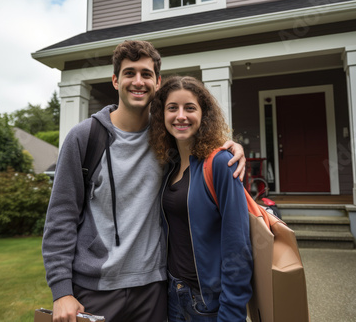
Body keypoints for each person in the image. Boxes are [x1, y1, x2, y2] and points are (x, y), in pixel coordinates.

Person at [42, 40, 246, 322]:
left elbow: (196, 133)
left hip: (155, 289)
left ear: (157, 81)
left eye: (146, 74)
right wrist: (61, 291)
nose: (138, 81)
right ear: (115, 80)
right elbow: (61, 217)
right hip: (96, 289)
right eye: (129, 73)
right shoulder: (84, 138)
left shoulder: (166, 137)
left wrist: (230, 145)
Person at [149, 76, 253, 322]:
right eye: (172, 108)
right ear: (162, 115)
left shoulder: (220, 163)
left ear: (204, 114)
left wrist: (231, 312)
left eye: (190, 108)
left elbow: (238, 246)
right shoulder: (169, 166)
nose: (180, 116)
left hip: (208, 303)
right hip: (174, 295)